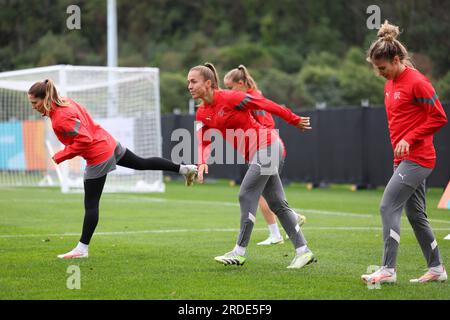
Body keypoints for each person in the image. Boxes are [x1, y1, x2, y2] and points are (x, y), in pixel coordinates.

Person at [28, 79, 198, 259]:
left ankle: (81, 249)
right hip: (107, 141)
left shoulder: (60, 118)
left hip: (98, 154)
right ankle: (185, 169)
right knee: (142, 163)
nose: (33, 106)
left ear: (46, 97)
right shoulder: (66, 101)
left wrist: (61, 155)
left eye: (34, 102)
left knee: (91, 205)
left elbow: (84, 139)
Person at [188, 62, 316, 268]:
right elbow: (203, 140)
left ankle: (238, 252)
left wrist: (293, 120)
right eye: (188, 82)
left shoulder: (231, 97)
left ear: (208, 83)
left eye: (193, 81)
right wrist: (202, 161)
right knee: (278, 205)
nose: (189, 86)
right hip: (259, 154)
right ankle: (304, 251)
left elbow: (266, 104)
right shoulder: (202, 113)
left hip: (268, 146)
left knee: (245, 194)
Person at [361, 21, 448, 284]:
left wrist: (410, 138)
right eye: (376, 69)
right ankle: (437, 269)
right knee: (416, 215)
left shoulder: (418, 82)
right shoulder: (390, 83)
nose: (380, 73)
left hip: (419, 159)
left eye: (383, 68)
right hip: (403, 159)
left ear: (397, 59)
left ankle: (388, 269)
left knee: (388, 206)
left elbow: (439, 117)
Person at [223, 65, 306, 246]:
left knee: (258, 194)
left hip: (266, 149)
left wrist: (263, 148)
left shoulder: (252, 99)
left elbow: (267, 125)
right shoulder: (247, 97)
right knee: (268, 196)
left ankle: (279, 231)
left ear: (241, 83)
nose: (227, 92)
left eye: (230, 87)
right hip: (262, 149)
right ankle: (292, 236)